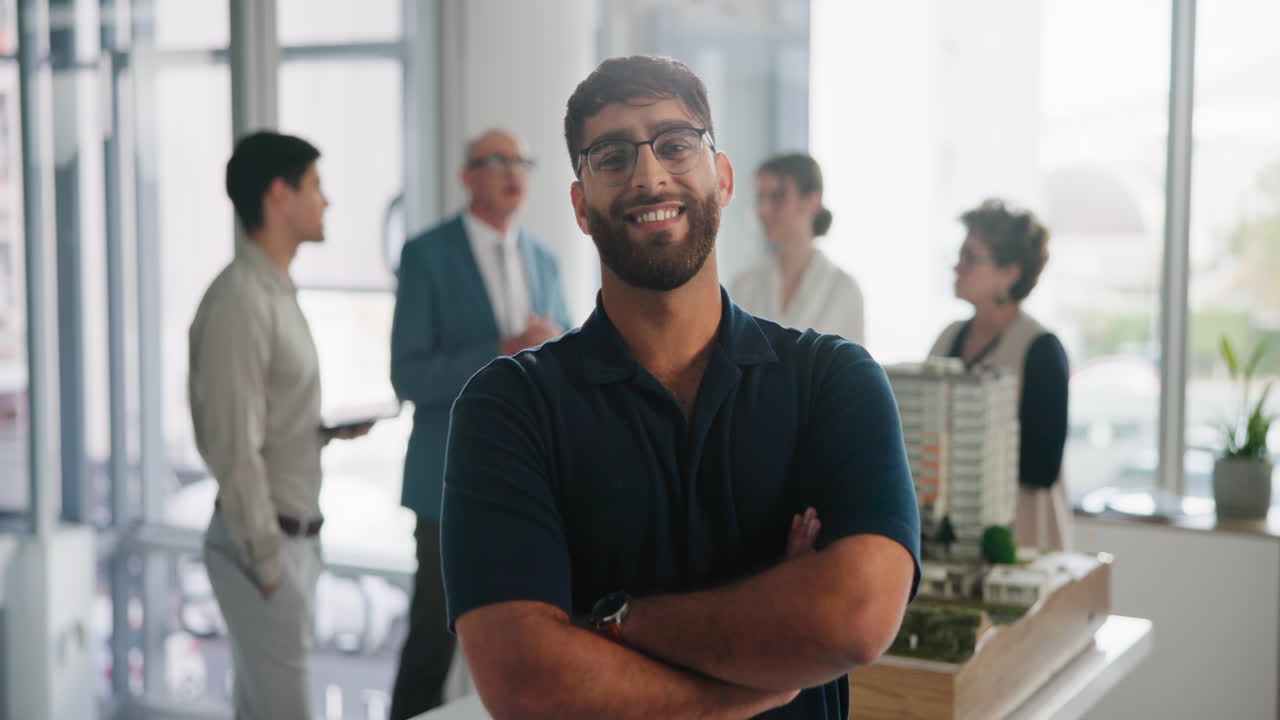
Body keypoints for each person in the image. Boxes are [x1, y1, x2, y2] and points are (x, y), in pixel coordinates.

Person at [440, 55, 920, 720]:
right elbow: (526, 682)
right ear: (581, 207)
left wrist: (615, 620)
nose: (648, 176)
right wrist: (756, 669)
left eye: (675, 145)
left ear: (722, 178)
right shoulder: (508, 407)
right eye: (612, 157)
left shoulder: (833, 379)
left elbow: (855, 617)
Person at [388, 128, 571, 718]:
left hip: (529, 486)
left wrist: (554, 351)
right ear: (467, 176)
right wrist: (502, 350)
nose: (513, 172)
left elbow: (568, 361)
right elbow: (409, 376)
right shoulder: (427, 255)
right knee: (431, 641)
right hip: (445, 483)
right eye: (496, 161)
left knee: (524, 644)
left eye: (521, 161)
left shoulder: (545, 258)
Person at [189, 131, 372, 720]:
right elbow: (231, 446)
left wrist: (318, 431)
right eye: (315, 185)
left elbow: (263, 420)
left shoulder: (274, 291)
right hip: (264, 549)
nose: (327, 200)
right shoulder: (241, 301)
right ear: (278, 195)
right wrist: (269, 564)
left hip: (292, 545)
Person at [928, 198, 1072, 551]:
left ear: (1010, 272)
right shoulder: (948, 339)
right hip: (952, 541)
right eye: (959, 255)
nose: (957, 267)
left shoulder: (1041, 350)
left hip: (1023, 541)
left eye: (970, 257)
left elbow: (1042, 467)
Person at [730, 153, 864, 343]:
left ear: (813, 200)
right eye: (760, 197)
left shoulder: (844, 291)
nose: (763, 210)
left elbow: (854, 362)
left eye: (777, 197)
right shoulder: (743, 286)